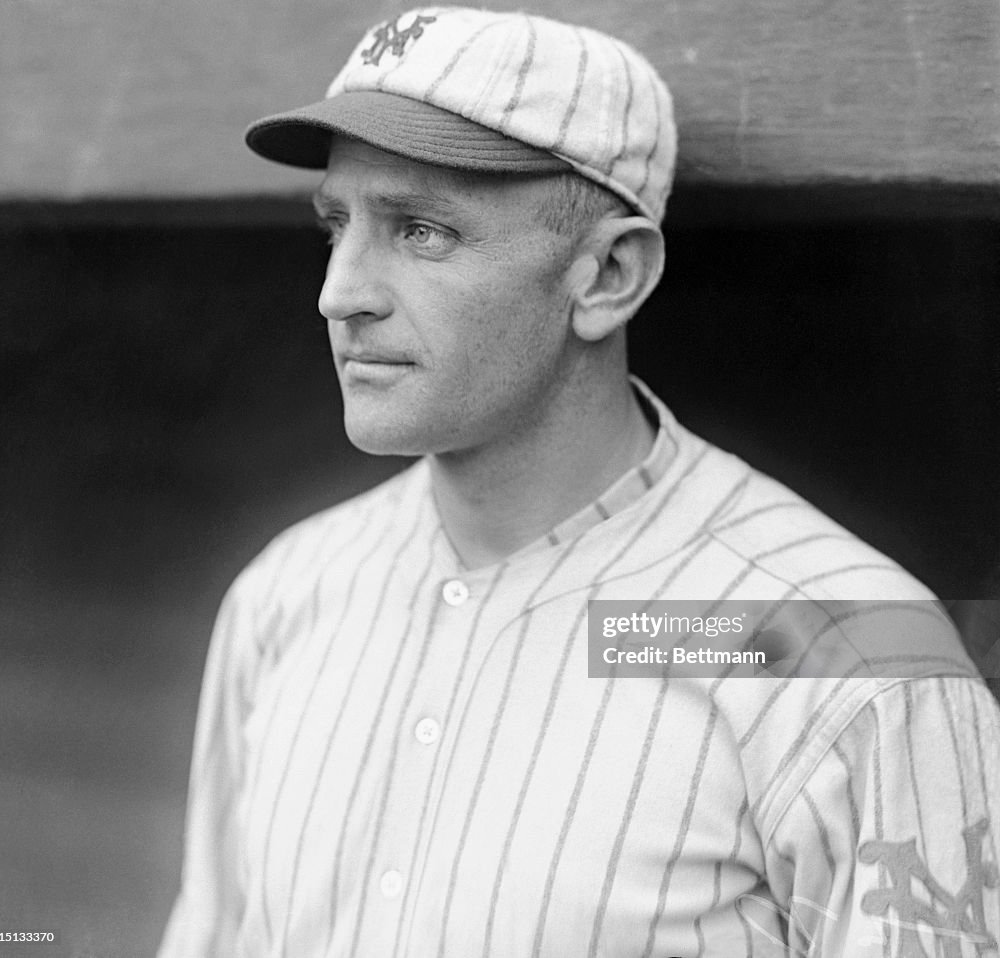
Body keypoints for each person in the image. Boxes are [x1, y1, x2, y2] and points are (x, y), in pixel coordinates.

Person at [158, 7, 1000, 957]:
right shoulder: (287, 595)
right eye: (336, 226)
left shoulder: (849, 650)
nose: (339, 292)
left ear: (607, 274)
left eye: (423, 231)